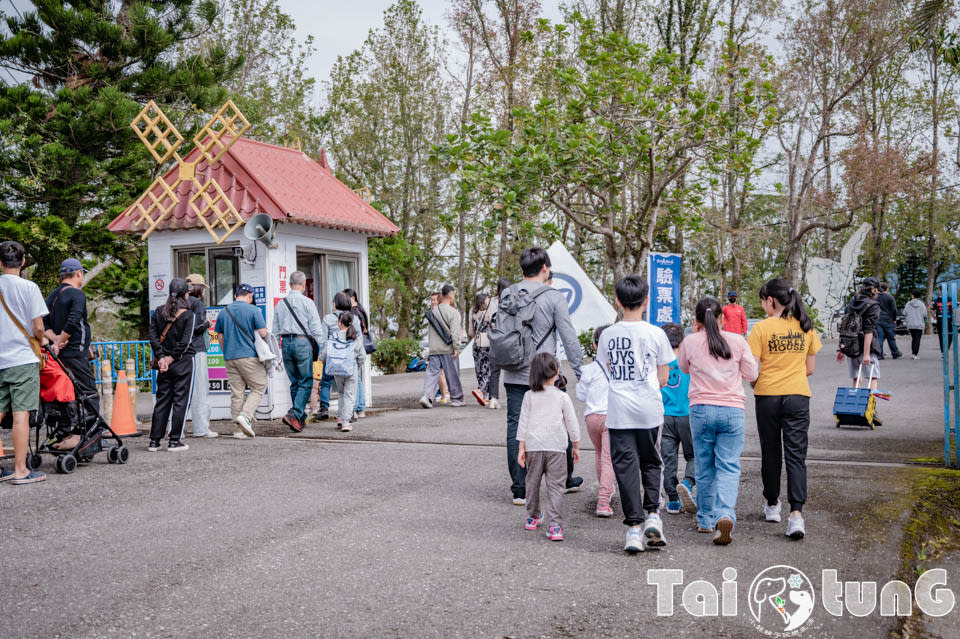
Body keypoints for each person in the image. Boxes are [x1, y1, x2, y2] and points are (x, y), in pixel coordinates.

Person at [499, 248, 584, 507]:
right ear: (545, 267)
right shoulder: (553, 297)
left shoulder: (507, 293)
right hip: (545, 374)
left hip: (513, 370)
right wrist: (581, 372)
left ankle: (519, 489)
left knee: (517, 426)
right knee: (560, 421)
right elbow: (568, 336)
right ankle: (565, 478)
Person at [594, 275, 674, 553]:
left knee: (625, 468)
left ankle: (633, 530)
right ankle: (653, 514)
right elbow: (664, 376)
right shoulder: (656, 333)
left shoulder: (607, 335)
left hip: (619, 412)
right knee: (652, 462)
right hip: (650, 411)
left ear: (617, 301)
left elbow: (605, 369)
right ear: (647, 301)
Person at [678, 298, 758, 545]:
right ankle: (725, 514)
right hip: (732, 410)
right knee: (729, 466)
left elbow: (683, 368)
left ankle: (704, 519)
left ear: (698, 320)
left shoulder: (690, 341)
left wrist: (694, 336)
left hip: (701, 409)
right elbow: (752, 374)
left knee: (704, 464)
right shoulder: (737, 341)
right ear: (722, 318)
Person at [749, 278, 821, 540]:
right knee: (796, 455)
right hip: (798, 396)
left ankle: (772, 504)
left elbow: (751, 368)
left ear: (770, 301)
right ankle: (796, 515)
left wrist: (758, 382)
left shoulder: (761, 329)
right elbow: (810, 368)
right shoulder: (806, 327)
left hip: (767, 396)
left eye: (762, 301)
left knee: (770, 452)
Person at [517, 352, 581, 541]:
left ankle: (532, 516)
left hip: (534, 445)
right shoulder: (561, 397)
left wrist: (521, 447)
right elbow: (572, 422)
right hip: (557, 447)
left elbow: (523, 422)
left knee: (532, 482)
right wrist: (575, 445)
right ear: (557, 372)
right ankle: (555, 526)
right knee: (556, 486)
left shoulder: (529, 396)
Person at [0, 240, 50, 484]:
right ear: (22, 262)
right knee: (21, 415)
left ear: (0, 263)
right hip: (22, 359)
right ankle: (21, 470)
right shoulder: (29, 288)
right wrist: (40, 340)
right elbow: (38, 327)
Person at [44, 258, 99, 450]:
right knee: (89, 393)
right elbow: (74, 319)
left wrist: (55, 340)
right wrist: (61, 339)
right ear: (78, 274)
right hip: (76, 350)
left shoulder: (53, 295)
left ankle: (64, 432)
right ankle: (88, 437)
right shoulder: (77, 294)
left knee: (67, 393)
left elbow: (43, 322)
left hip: (58, 354)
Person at [147, 278, 197, 452]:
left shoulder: (158, 312)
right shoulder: (189, 315)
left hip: (163, 365)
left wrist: (161, 357)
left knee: (162, 400)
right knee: (180, 400)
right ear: (185, 294)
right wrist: (171, 358)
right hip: (182, 362)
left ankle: (154, 440)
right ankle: (174, 440)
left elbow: (153, 336)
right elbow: (185, 342)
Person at [213, 283, 268, 438]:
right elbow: (263, 333)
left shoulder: (224, 312)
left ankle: (238, 431)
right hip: (248, 356)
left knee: (237, 393)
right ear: (250, 296)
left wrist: (226, 352)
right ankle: (245, 416)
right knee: (259, 386)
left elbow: (220, 336)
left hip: (229, 357)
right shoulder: (253, 310)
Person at [274, 271, 324, 432]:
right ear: (303, 285)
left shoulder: (281, 304)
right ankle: (294, 413)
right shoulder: (308, 303)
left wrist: (276, 353)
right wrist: (323, 347)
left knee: (295, 382)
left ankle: (299, 419)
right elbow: (316, 329)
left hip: (285, 343)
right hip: (302, 343)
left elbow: (274, 331)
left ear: (290, 285)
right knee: (306, 381)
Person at [575, 324, 615, 517]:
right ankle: (604, 500)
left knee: (599, 454)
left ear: (594, 344)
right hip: (612, 417)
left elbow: (581, 395)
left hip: (591, 417)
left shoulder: (589, 369)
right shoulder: (618, 366)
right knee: (609, 458)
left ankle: (605, 489)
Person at [660, 323, 696, 516]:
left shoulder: (660, 364)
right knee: (694, 456)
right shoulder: (688, 364)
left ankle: (673, 500)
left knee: (668, 460)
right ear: (682, 342)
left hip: (665, 417)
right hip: (688, 416)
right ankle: (688, 483)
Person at [314, 292, 361, 421]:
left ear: (336, 304)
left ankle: (324, 408)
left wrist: (322, 358)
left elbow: (323, 341)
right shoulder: (355, 319)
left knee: (326, 382)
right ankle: (350, 413)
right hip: (349, 360)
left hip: (332, 358)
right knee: (350, 389)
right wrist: (358, 360)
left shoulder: (328, 318)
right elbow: (359, 340)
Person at [419, 285, 465, 408]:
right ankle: (456, 399)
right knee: (452, 374)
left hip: (434, 349)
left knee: (432, 374)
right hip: (448, 349)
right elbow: (455, 333)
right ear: (451, 295)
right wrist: (457, 348)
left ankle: (427, 397)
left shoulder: (432, 312)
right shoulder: (453, 312)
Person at [838, 277, 882, 402]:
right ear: (873, 289)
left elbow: (844, 325)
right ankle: (870, 409)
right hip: (865, 345)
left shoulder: (853, 300)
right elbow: (869, 330)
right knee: (872, 377)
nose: (878, 293)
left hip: (850, 345)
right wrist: (867, 354)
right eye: (877, 290)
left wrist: (841, 348)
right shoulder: (873, 305)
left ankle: (854, 406)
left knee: (856, 378)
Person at [322, 310, 365, 431]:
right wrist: (358, 365)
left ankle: (340, 417)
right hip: (351, 369)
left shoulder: (334, 336)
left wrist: (321, 359)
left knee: (341, 393)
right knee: (349, 395)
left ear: (340, 323)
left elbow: (326, 351)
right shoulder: (354, 337)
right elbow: (362, 356)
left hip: (337, 369)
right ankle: (346, 422)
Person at [185, 274, 215, 438]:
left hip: (181, 351)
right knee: (200, 389)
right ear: (197, 288)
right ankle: (201, 428)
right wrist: (207, 324)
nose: (204, 290)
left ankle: (177, 428)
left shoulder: (178, 303)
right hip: (197, 349)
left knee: (182, 391)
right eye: (202, 287)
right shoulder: (197, 304)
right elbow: (195, 328)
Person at [343, 288, 369, 419]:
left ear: (352, 298)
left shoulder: (353, 312)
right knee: (357, 377)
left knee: (356, 379)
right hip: (359, 347)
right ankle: (360, 407)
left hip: (355, 348)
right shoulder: (361, 309)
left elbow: (357, 333)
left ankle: (357, 407)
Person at [468, 292, 493, 406]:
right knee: (487, 370)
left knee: (479, 370)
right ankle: (480, 390)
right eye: (488, 299)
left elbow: (470, 332)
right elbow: (494, 328)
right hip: (486, 345)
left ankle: (483, 395)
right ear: (483, 301)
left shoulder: (473, 314)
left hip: (476, 345)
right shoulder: (487, 314)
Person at [429, 291, 451, 404]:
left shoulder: (440, 313)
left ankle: (444, 394)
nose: (432, 302)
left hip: (443, 347)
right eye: (431, 300)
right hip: (435, 347)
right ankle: (441, 393)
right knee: (439, 373)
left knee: (440, 373)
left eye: (434, 300)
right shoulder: (432, 313)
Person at [876, 283, 902, 360]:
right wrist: (894, 318)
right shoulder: (890, 297)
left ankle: (879, 354)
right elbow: (894, 309)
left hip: (878, 319)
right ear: (887, 289)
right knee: (891, 337)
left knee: (880, 337)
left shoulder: (875, 297)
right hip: (888, 320)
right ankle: (895, 353)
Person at [904, 289, 928, 360]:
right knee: (917, 339)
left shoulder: (908, 303)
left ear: (912, 295)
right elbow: (925, 315)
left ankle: (913, 354)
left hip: (911, 324)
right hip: (919, 324)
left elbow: (904, 313)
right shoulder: (922, 304)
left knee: (913, 339)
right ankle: (915, 354)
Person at [933, 293, 954, 357]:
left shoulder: (936, 300)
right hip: (948, 318)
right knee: (948, 334)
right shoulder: (950, 299)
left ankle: (944, 351)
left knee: (942, 335)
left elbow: (931, 309)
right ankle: (945, 350)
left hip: (941, 318)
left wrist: (934, 317)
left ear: (939, 291)